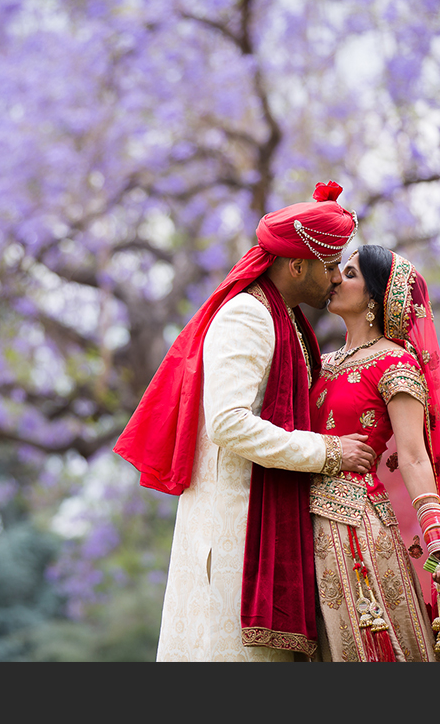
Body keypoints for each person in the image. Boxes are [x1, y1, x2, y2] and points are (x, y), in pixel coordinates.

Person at [114, 181, 377, 661]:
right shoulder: (248, 316)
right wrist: (327, 452)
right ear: (296, 265)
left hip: (264, 526)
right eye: (329, 266)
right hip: (239, 534)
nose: (336, 278)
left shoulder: (285, 319)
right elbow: (229, 423)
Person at [308, 244, 440, 662]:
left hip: (356, 530)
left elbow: (415, 456)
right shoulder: (322, 364)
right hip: (303, 517)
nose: (334, 280)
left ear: (375, 297)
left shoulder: (395, 364)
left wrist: (437, 537)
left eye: (349, 274)